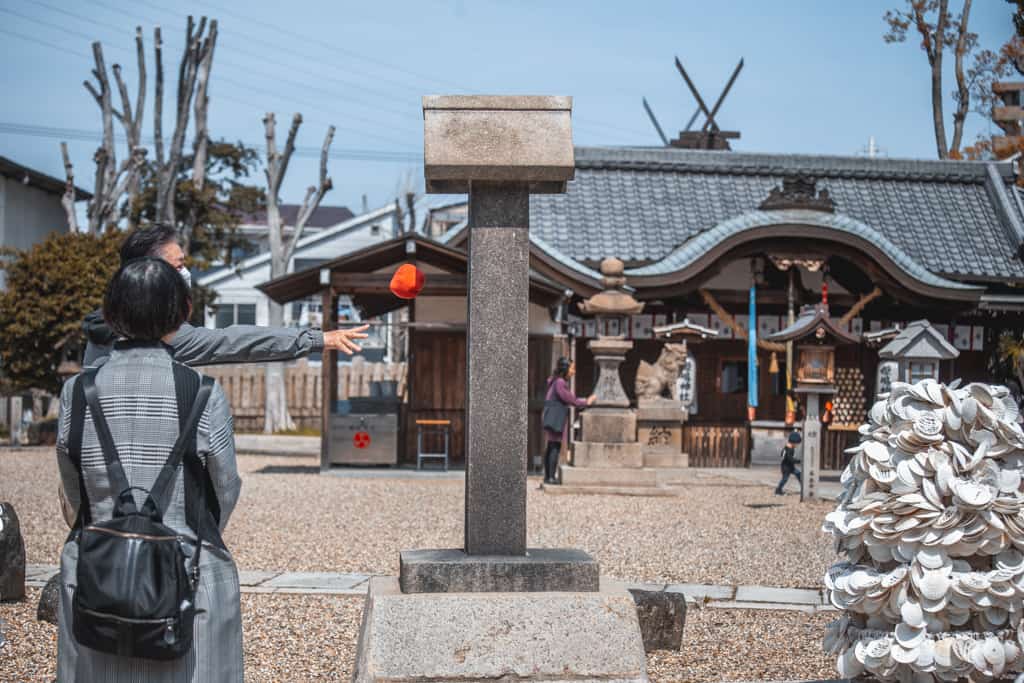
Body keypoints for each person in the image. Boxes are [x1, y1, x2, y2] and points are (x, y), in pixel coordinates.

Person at [56, 258, 244, 681]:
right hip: (186, 574)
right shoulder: (202, 391)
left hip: (96, 576)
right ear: (184, 312)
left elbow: (73, 492)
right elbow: (225, 487)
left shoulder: (77, 392)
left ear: (109, 314)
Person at [82, 224, 369, 367]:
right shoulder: (165, 338)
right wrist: (317, 338)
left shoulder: (100, 330)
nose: (185, 273)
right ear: (149, 273)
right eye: (179, 265)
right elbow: (234, 341)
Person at [542, 357, 596, 485]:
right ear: (565, 368)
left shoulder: (555, 381)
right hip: (555, 416)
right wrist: (586, 401)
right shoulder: (560, 382)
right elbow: (570, 399)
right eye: (572, 368)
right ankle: (550, 477)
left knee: (551, 445)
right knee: (555, 446)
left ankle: (548, 476)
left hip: (552, 415)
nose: (573, 371)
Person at [775, 430, 803, 496]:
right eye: (797, 443)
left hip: (790, 467)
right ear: (793, 442)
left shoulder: (789, 448)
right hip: (786, 467)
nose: (797, 445)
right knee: (785, 479)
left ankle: (804, 489)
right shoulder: (788, 449)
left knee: (799, 474)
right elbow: (789, 458)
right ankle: (778, 490)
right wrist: (798, 461)